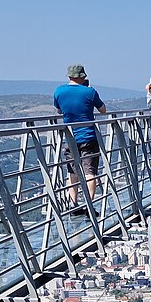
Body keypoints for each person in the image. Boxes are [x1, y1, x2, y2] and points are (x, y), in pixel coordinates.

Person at [53, 64, 107, 211]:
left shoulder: (59, 91)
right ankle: (89, 205)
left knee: (72, 172)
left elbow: (59, 111)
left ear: (69, 76)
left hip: (70, 137)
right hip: (88, 136)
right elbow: (103, 110)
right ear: (83, 76)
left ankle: (73, 204)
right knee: (90, 172)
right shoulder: (90, 92)